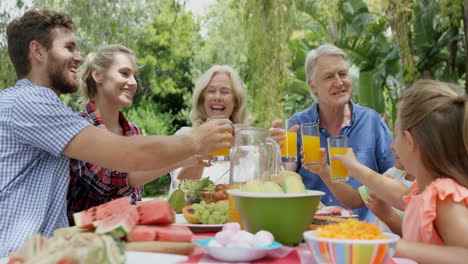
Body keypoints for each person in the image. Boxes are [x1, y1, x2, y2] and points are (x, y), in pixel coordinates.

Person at [0, 9, 232, 257]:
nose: (78, 58)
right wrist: (195, 140)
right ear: (38, 51)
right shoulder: (29, 102)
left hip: (48, 253)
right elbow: (126, 157)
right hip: (16, 254)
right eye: (68, 47)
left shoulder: (45, 107)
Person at [332, 80, 468, 264]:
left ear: (409, 141)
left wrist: (394, 246)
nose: (392, 144)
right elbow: (395, 192)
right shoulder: (423, 193)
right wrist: (354, 167)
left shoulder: (445, 197)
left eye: (396, 135)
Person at [269, 44, 394, 220]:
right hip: (311, 228)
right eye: (329, 77)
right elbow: (285, 179)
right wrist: (276, 151)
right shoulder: (299, 124)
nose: (339, 82)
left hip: (362, 231)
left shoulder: (372, 122)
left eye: (342, 74)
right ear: (312, 85)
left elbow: (395, 178)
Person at [67, 44, 190, 224]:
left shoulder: (134, 132)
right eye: (124, 73)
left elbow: (131, 199)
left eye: (135, 76)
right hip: (82, 241)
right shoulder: (77, 126)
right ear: (97, 75)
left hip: (125, 238)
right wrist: (180, 156)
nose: (133, 83)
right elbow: (107, 183)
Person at [169, 65, 252, 194]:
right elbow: (180, 193)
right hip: (193, 212)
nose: (217, 97)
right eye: (211, 91)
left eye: (225, 92)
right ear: (203, 99)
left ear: (236, 101)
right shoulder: (184, 136)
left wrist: (276, 154)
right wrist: (201, 146)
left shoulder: (250, 145)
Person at [309, 146, 414, 235]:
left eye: (399, 138)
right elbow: (352, 199)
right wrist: (323, 170)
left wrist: (388, 216)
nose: (392, 145)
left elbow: (417, 238)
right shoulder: (392, 173)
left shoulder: (425, 187)